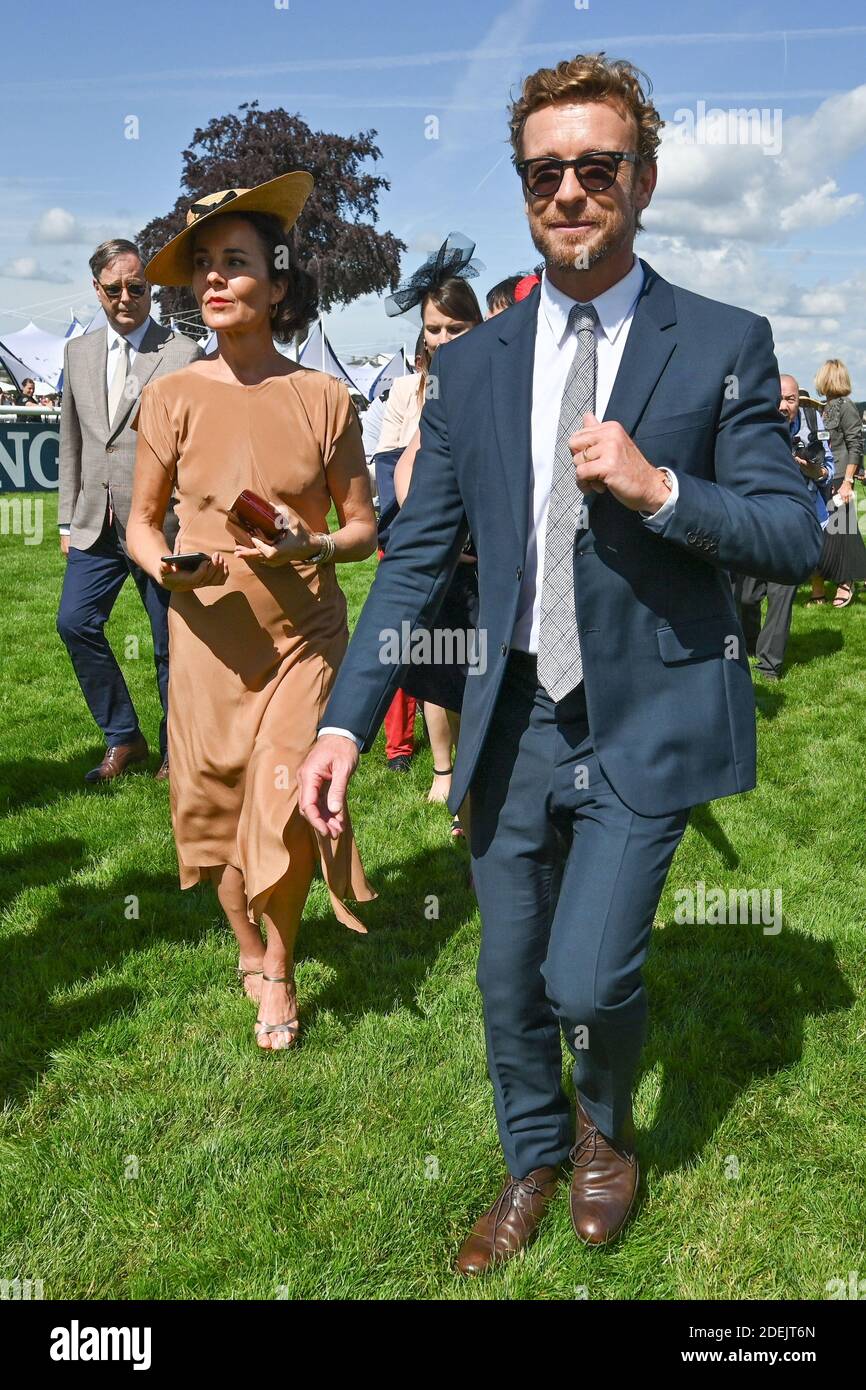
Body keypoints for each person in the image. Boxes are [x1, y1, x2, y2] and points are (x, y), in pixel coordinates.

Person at [298, 52, 822, 1269]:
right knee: (503, 980)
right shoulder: (474, 364)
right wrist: (341, 722)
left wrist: (659, 487)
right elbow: (418, 559)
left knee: (586, 978)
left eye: (597, 166)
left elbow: (791, 533)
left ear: (641, 176)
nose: (571, 189)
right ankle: (532, 1159)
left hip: (644, 711)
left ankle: (604, 1134)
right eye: (547, 170)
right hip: (512, 716)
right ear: (523, 185)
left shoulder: (721, 340)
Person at [126, 173, 378, 1051]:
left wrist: (309, 549)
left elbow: (362, 530)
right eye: (202, 267)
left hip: (304, 639)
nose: (214, 280)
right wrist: (168, 570)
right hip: (205, 643)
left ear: (276, 286)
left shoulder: (324, 399)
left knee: (285, 800)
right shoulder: (172, 396)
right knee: (219, 813)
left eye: (234, 264)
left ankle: (278, 962)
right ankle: (243, 938)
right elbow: (139, 526)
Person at [56, 238, 201, 783]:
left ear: (151, 289)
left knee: (170, 643)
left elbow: (195, 447)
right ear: (97, 289)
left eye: (136, 287)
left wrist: (190, 523)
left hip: (161, 528)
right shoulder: (78, 353)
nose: (125, 297)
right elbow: (70, 439)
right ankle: (124, 737)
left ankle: (176, 750)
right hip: (94, 523)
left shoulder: (183, 353)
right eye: (113, 288)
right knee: (74, 623)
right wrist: (68, 519)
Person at [379, 235, 484, 817]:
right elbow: (393, 467)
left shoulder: (496, 386)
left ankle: (472, 780)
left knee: (473, 672)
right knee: (434, 671)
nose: (441, 339)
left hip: (481, 561)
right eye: (432, 329)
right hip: (428, 548)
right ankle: (444, 769)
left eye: (453, 328)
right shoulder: (404, 390)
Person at [735, 374, 832, 679]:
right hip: (756, 519)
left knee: (782, 594)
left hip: (795, 523)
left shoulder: (812, 427)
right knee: (746, 596)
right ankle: (749, 645)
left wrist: (811, 468)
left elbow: (828, 471)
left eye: (790, 399)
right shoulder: (751, 427)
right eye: (778, 399)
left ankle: (768, 666)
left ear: (798, 401)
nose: (783, 405)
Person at [813, 358, 866, 608]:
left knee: (842, 532)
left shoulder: (846, 406)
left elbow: (856, 445)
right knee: (832, 531)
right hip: (826, 477)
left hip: (840, 479)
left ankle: (846, 582)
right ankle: (839, 580)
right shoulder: (824, 407)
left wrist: (847, 481)